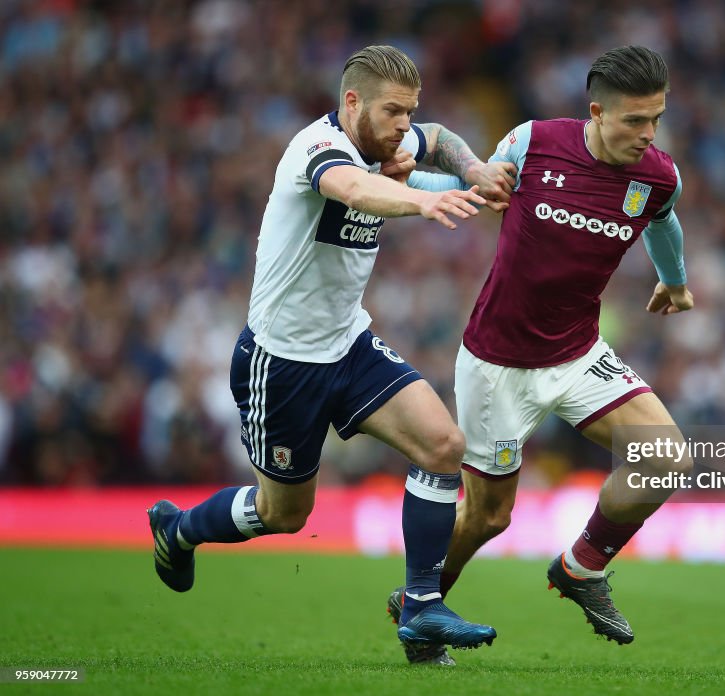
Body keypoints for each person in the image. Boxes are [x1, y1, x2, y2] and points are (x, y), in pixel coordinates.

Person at [146, 45, 517, 662]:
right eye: (393, 112)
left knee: (444, 446)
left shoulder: (384, 142)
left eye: (409, 112)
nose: (404, 126)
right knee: (285, 513)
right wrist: (421, 200)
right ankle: (178, 529)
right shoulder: (317, 151)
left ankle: (422, 608)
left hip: (347, 343)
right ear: (352, 103)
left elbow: (441, 138)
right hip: (282, 363)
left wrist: (474, 169)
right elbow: (352, 189)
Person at [388, 45, 695, 661]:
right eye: (635, 120)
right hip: (498, 362)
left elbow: (664, 221)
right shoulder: (535, 143)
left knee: (666, 457)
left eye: (656, 119)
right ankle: (421, 607)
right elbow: (467, 179)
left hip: (578, 354)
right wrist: (404, 179)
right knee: (487, 518)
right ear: (597, 112)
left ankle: (581, 568)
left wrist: (675, 279)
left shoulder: (658, 176)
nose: (648, 133)